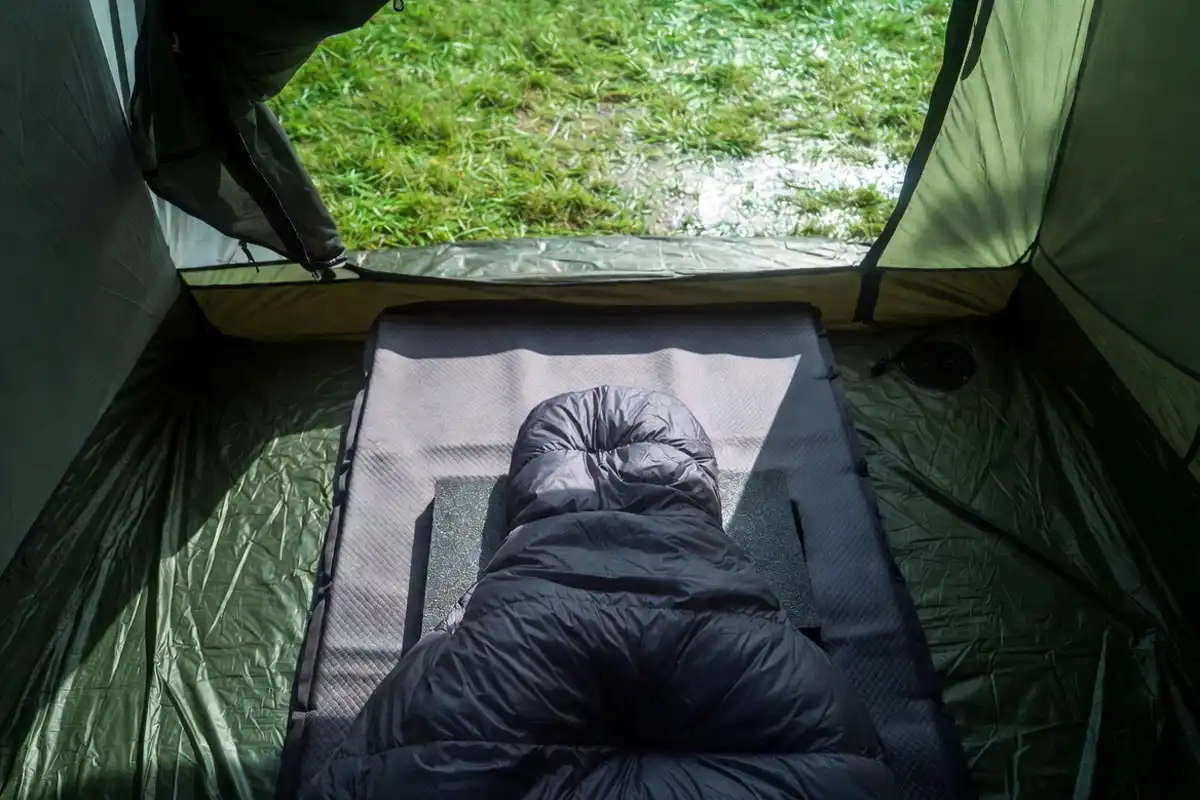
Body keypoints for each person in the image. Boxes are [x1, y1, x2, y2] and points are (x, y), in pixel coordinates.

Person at [305, 385, 897, 798]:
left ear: (531, 488)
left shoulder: (524, 556)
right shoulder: (715, 555)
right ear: (699, 483)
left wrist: (459, 625)